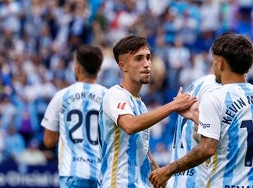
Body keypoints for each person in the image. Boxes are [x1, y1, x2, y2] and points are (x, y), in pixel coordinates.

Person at [149, 32, 253, 188]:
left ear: (220, 63)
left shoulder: (215, 96)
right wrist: (197, 119)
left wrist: (167, 170)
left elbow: (207, 148)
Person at [98, 34, 197, 188]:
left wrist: (163, 180)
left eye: (148, 58)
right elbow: (129, 125)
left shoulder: (140, 105)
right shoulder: (115, 94)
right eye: (138, 59)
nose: (146, 64)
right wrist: (173, 106)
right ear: (122, 66)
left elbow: (144, 150)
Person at [41, 44, 107, 188]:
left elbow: (48, 141)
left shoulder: (61, 96)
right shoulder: (108, 97)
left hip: (72, 173)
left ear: (77, 67)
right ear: (99, 69)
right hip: (102, 176)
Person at [167, 73, 221, 187]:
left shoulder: (195, 84)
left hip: (177, 181)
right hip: (199, 181)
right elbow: (201, 138)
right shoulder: (215, 89)